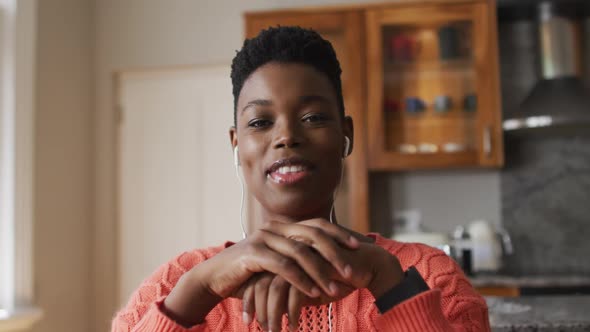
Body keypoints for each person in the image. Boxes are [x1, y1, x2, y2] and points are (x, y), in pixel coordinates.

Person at [111, 26, 490, 332]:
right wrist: (198, 290)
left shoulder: (426, 274)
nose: (287, 136)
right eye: (260, 122)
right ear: (237, 144)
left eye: (313, 118)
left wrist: (387, 282)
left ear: (347, 135)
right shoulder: (178, 281)